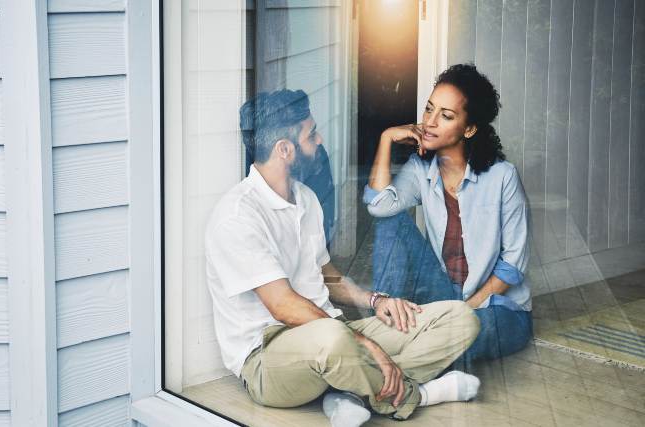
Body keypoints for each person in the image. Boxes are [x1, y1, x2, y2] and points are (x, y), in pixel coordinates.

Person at [205, 89, 481, 424]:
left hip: (333, 330)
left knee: (459, 319)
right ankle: (418, 395)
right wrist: (366, 344)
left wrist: (376, 300)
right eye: (311, 134)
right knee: (336, 339)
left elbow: (327, 276)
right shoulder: (238, 217)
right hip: (268, 358)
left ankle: (347, 389)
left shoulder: (304, 198)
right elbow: (284, 307)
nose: (320, 140)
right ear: (285, 150)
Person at [365, 64, 532, 369]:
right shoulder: (421, 169)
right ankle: (386, 316)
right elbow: (379, 206)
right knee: (391, 221)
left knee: (466, 335)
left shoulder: (502, 177)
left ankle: (385, 363)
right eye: (429, 109)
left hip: (495, 309)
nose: (429, 122)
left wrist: (463, 311)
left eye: (446, 116)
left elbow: (512, 266)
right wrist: (387, 138)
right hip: (442, 293)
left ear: (469, 129)